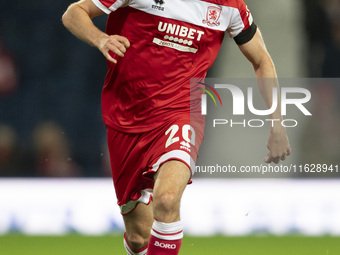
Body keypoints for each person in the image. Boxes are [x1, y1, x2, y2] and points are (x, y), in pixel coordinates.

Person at [62, 0, 291, 254]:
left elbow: (261, 61)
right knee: (139, 237)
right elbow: (74, 13)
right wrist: (101, 39)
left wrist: (277, 125)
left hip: (181, 112)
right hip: (126, 116)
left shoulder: (230, 7)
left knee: (167, 199)